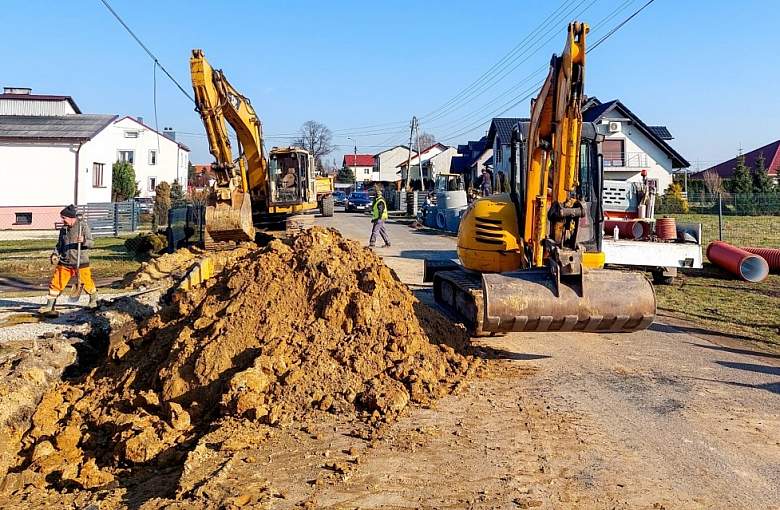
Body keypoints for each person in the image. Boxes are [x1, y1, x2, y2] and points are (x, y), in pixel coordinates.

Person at [39, 205, 98, 315]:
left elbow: (92, 243)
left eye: (64, 218)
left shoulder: (83, 227)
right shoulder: (64, 230)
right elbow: (59, 245)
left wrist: (84, 240)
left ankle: (94, 300)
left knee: (86, 282)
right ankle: (49, 306)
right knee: (56, 282)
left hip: (81, 262)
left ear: (71, 218)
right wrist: (55, 254)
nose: (62, 220)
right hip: (65, 262)